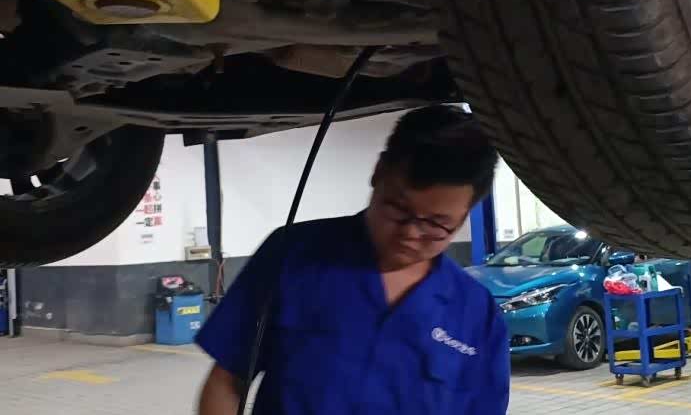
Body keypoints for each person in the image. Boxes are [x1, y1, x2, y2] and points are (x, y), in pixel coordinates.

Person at [196, 104, 510, 415]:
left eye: (437, 224)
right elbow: (227, 384)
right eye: (398, 208)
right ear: (378, 172)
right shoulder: (292, 255)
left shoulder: (476, 314)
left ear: (465, 215)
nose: (411, 233)